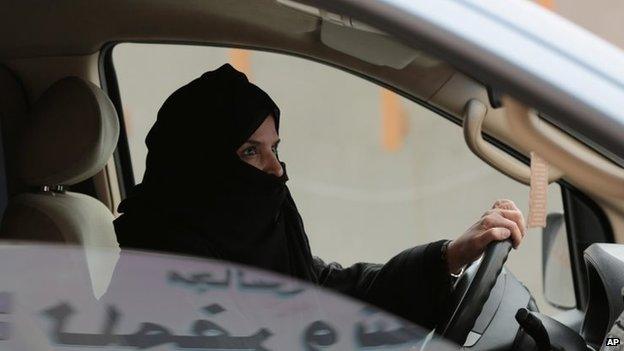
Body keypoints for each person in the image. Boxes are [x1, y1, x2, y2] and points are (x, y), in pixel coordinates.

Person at [114, 63, 526, 329]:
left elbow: (330, 292)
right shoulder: (156, 278)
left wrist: (448, 257)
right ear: (201, 167)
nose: (276, 170)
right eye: (250, 151)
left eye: (274, 148)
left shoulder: (254, 247)